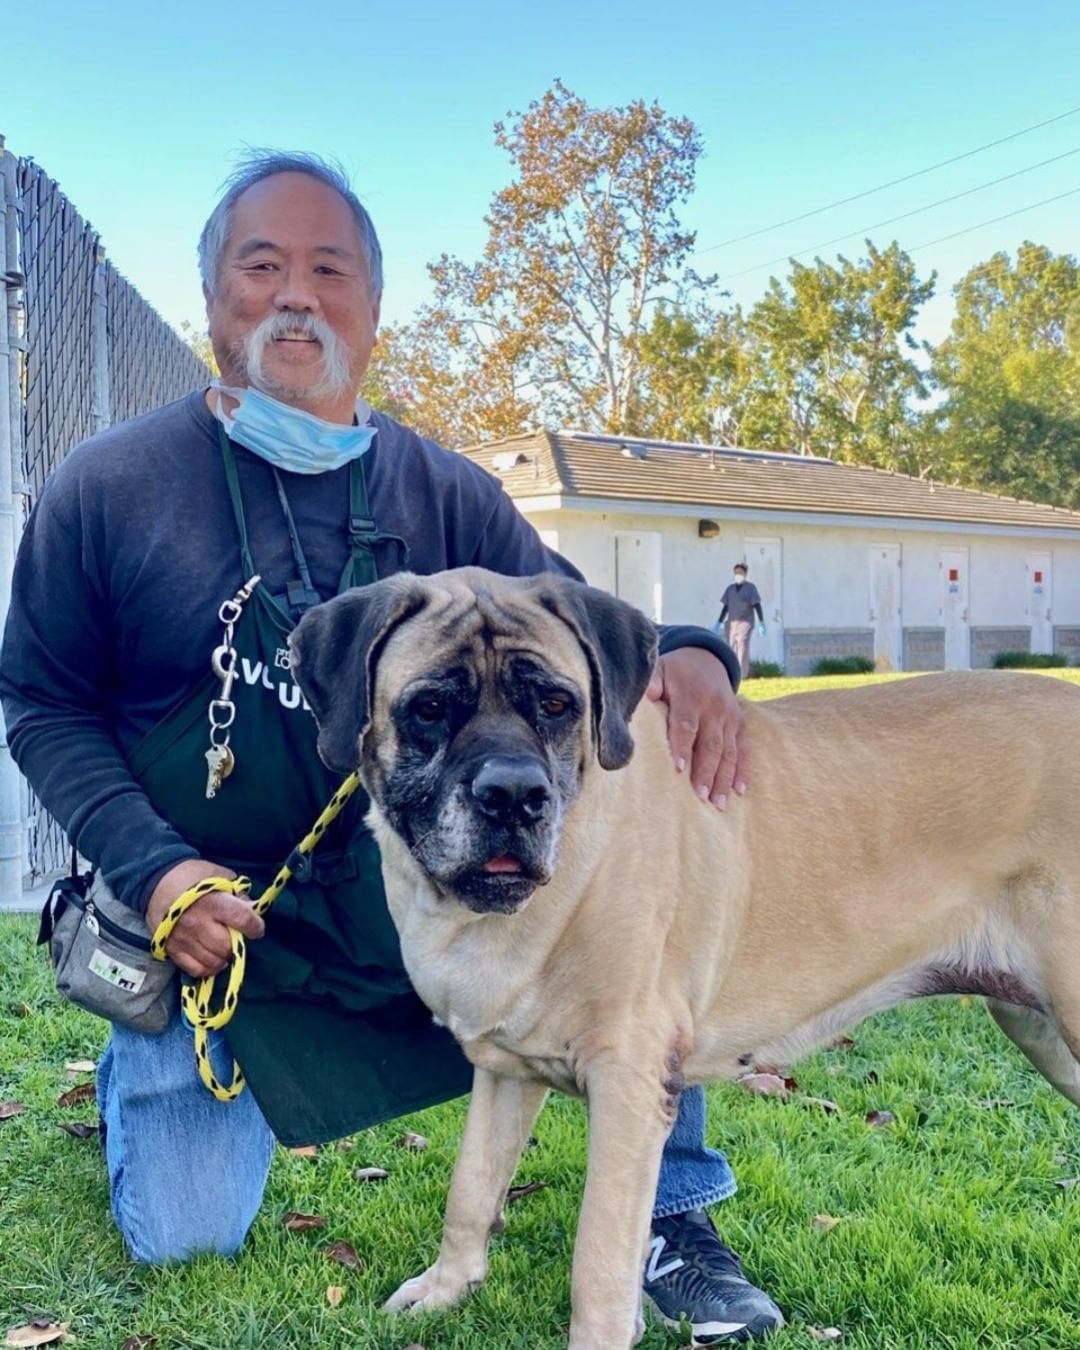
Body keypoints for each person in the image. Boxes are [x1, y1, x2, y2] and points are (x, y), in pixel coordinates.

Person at [0, 153, 783, 1342]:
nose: (295, 296)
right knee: (184, 1229)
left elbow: (577, 623)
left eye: (331, 269)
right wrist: (154, 872)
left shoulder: (445, 490)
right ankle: (146, 1050)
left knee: (627, 932)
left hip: (425, 898)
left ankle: (673, 1210)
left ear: (373, 305)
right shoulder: (108, 488)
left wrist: (693, 651)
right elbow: (41, 702)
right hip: (226, 933)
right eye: (262, 265)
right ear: (212, 293)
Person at [719, 564, 765, 680]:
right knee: (732, 647)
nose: (738, 575)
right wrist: (719, 621)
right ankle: (733, 673)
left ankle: (742, 674)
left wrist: (761, 622)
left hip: (745, 622)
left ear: (745, 574)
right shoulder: (730, 589)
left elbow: (757, 605)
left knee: (742, 646)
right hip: (732, 623)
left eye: (740, 573)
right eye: (736, 573)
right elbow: (726, 606)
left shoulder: (751, 588)